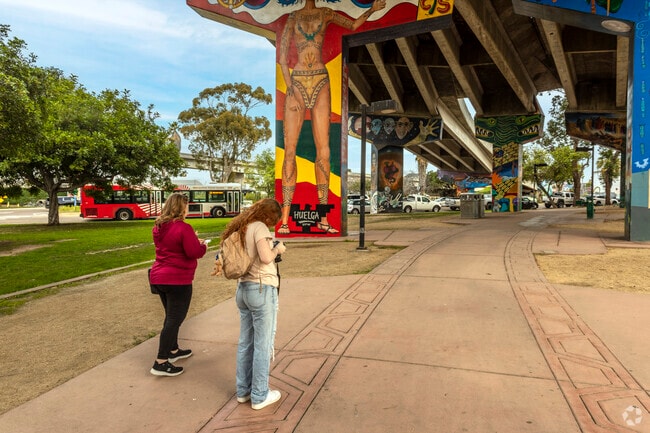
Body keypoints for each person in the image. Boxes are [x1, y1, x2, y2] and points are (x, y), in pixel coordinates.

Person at [278, 0, 386, 235]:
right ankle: (285, 219)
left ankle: (323, 217)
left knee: (324, 150)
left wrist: (371, 10)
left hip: (320, 80)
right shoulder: (292, 18)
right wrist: (290, 87)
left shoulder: (327, 13)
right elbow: (283, 55)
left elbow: (353, 25)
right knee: (289, 150)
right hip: (297, 81)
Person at [220, 198, 287, 410]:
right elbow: (266, 258)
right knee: (262, 344)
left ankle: (244, 391)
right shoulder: (259, 227)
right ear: (268, 216)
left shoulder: (242, 227)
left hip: (243, 289)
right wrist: (278, 249)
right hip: (261, 288)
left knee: (246, 342)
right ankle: (259, 394)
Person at [149, 193, 208, 377]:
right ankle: (161, 361)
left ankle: (173, 350)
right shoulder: (184, 228)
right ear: (182, 208)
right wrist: (202, 245)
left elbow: (171, 246)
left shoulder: (158, 227)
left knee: (170, 317)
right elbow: (193, 252)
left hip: (159, 276)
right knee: (174, 320)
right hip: (177, 279)